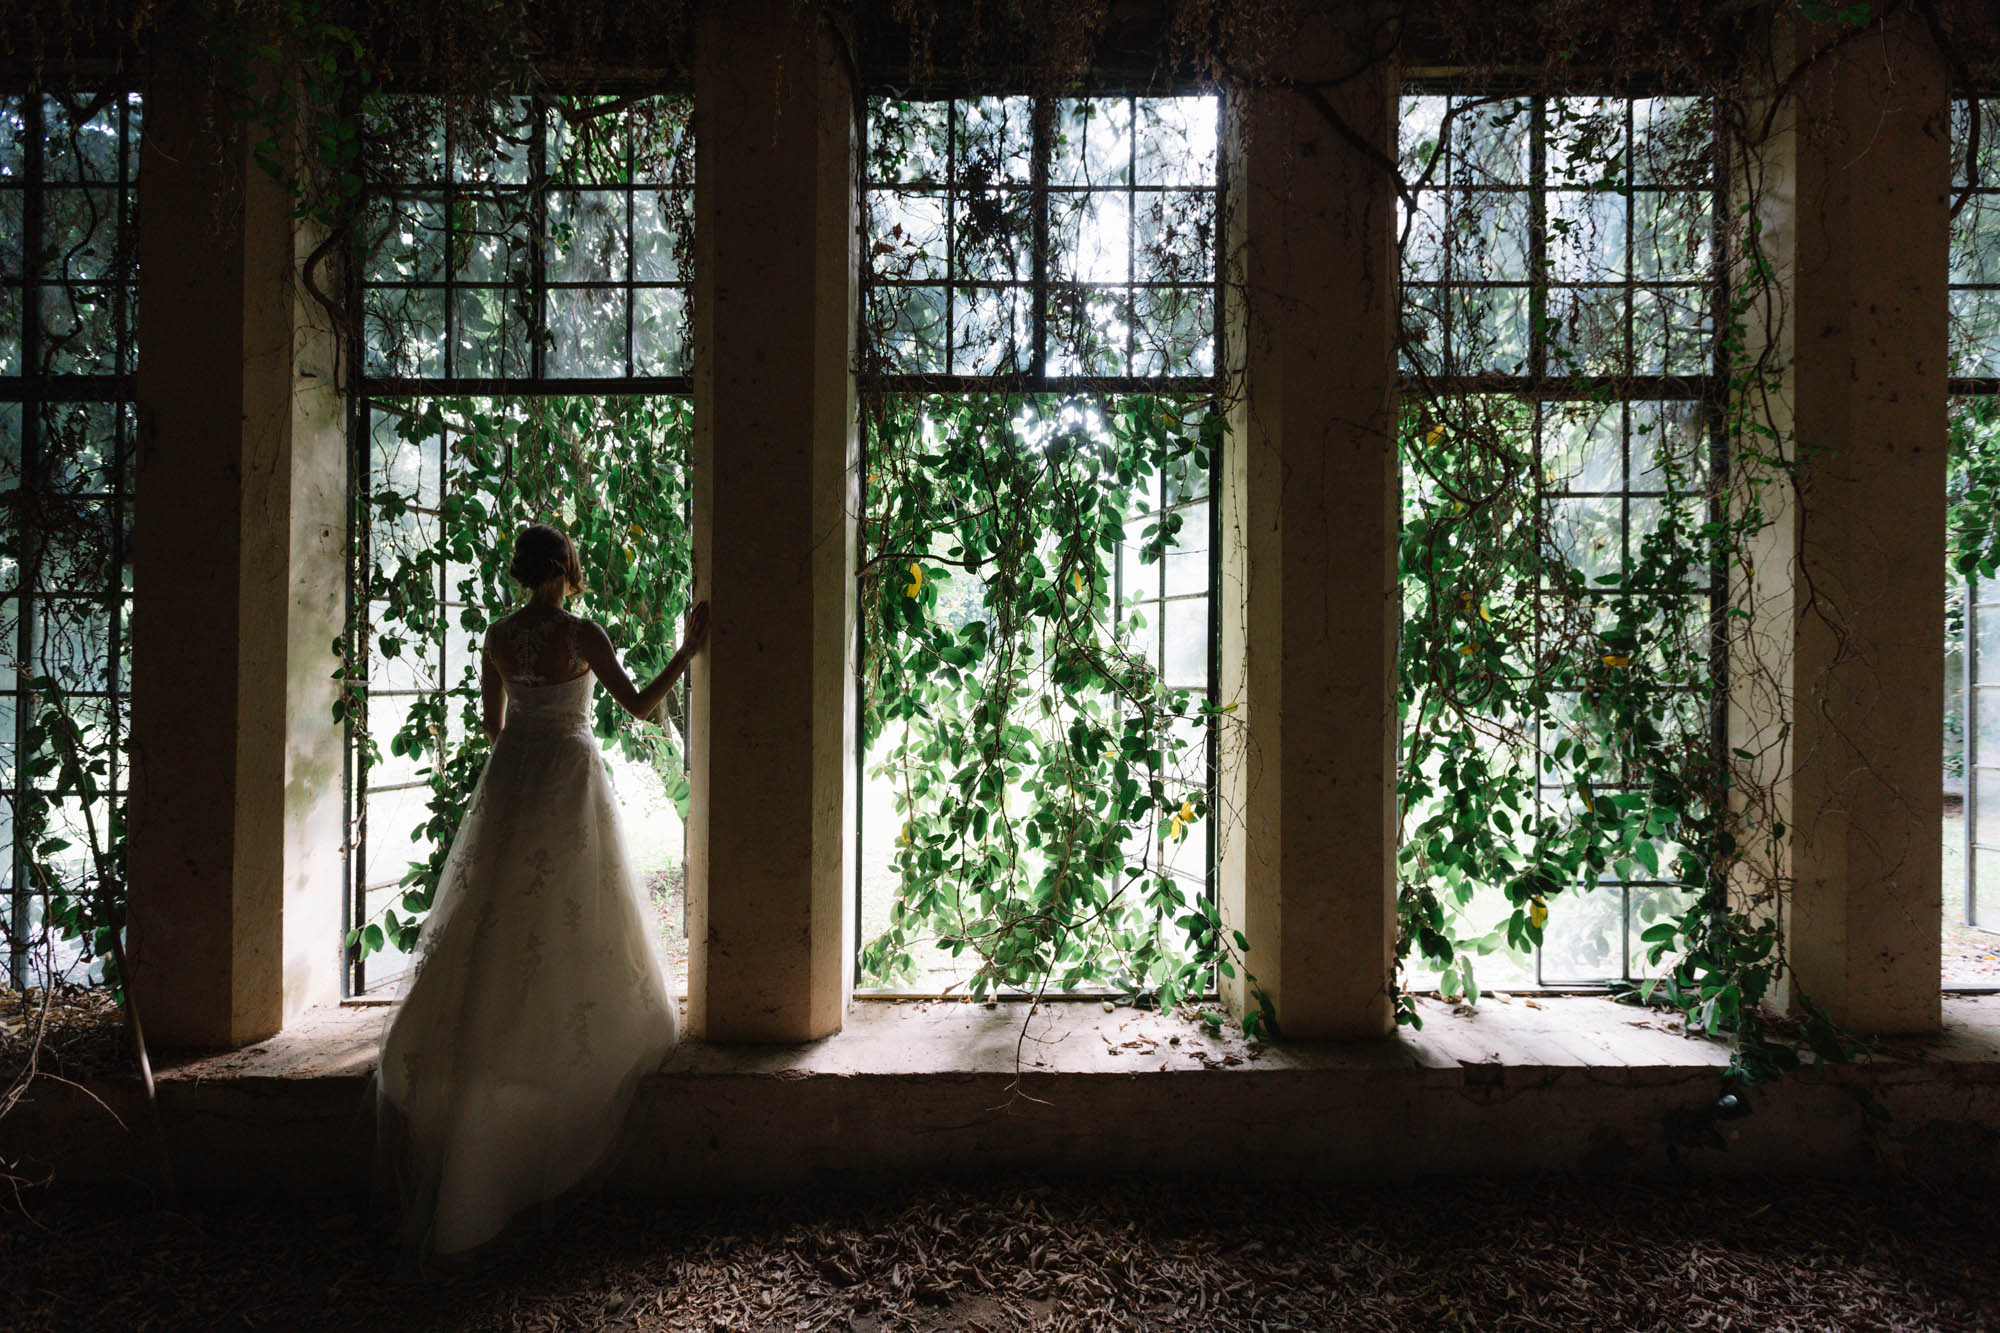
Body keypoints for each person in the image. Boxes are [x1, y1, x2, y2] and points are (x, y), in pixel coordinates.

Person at [375, 522, 709, 1262]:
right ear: (564, 565)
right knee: (568, 914)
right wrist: (687, 652)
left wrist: (527, 746)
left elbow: (492, 725)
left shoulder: (497, 636)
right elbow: (639, 706)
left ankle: (485, 1063)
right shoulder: (582, 635)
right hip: (567, 777)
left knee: (496, 917)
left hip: (513, 777)